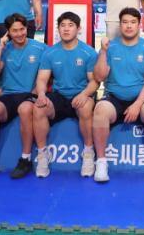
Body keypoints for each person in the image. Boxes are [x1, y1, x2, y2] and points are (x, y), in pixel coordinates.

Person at [92, 7, 144, 182]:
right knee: (100, 109)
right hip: (114, 98)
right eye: (125, 22)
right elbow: (99, 77)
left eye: (133, 22)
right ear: (120, 25)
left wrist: (137, 105)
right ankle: (101, 162)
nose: (129, 26)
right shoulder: (110, 47)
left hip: (140, 99)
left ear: (139, 25)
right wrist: (103, 52)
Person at [0, 13, 48, 179]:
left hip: (29, 94)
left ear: (27, 28)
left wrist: (38, 92)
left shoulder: (40, 49)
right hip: (8, 94)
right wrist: (0, 48)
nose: (19, 33)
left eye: (22, 29)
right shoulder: (4, 49)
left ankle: (25, 159)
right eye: (14, 31)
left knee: (25, 110)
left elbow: (48, 76)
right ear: (8, 32)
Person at [32, 12, 98, 178]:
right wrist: (41, 94)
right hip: (59, 96)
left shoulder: (89, 53)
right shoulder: (50, 53)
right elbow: (42, 79)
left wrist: (84, 94)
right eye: (63, 25)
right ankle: (42, 155)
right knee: (38, 108)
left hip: (81, 94)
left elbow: (94, 82)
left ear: (78, 29)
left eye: (70, 25)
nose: (66, 29)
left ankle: (88, 152)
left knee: (86, 108)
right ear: (58, 29)